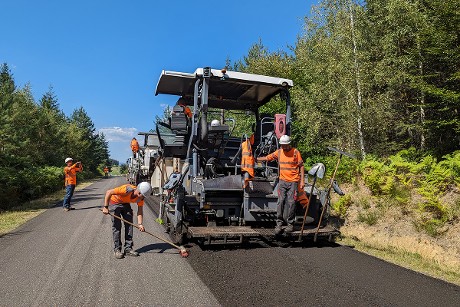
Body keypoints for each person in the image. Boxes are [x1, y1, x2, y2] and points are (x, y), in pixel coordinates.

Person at [256, 135, 304, 234]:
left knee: (291, 202)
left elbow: (301, 166)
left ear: (289, 144)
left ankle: (290, 224)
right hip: (282, 181)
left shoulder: (295, 152)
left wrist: (302, 181)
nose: (284, 147)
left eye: (285, 145)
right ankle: (279, 224)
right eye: (282, 145)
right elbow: (268, 157)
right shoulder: (279, 152)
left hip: (293, 182)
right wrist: (257, 159)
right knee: (280, 202)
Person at [102, 182, 152, 259]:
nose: (143, 199)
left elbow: (140, 211)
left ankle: (128, 248)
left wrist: (140, 224)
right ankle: (117, 249)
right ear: (139, 193)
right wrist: (106, 207)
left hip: (125, 203)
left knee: (129, 224)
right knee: (117, 226)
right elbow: (109, 192)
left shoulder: (141, 198)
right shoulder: (126, 190)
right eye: (143, 196)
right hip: (115, 202)